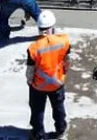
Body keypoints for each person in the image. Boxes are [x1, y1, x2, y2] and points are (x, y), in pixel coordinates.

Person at [26, 11, 70, 140]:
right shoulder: (63, 41)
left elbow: (30, 70)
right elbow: (67, 60)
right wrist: (63, 73)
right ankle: (60, 129)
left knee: (37, 110)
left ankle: (38, 134)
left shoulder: (34, 48)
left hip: (39, 85)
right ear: (52, 26)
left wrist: (29, 81)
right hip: (57, 82)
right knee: (58, 107)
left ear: (39, 28)